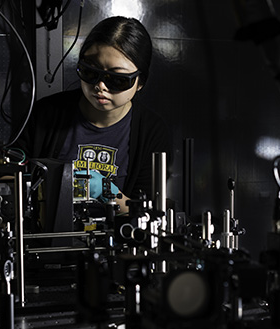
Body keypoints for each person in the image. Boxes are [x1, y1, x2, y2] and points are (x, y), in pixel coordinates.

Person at [16, 16, 172, 213]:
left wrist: (106, 192)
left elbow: (148, 212)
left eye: (117, 80)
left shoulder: (151, 131)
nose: (100, 86)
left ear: (140, 82)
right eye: (90, 72)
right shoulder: (45, 114)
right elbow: (9, 177)